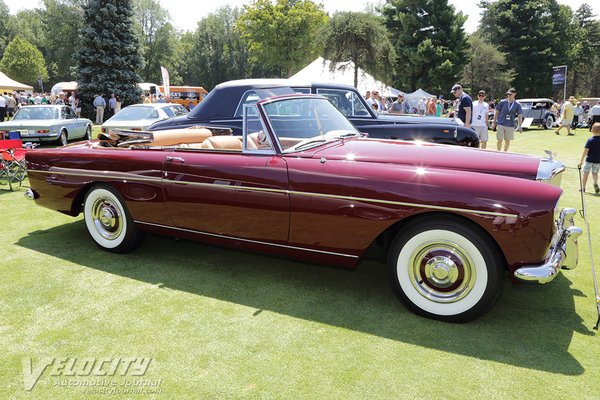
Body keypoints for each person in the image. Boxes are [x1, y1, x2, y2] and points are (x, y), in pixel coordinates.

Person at [492, 87, 523, 152]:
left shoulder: (517, 105)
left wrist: (520, 126)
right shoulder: (502, 102)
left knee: (507, 140)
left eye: (510, 94)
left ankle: (505, 152)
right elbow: (497, 111)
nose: (508, 95)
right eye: (508, 94)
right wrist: (494, 122)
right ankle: (498, 152)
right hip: (501, 123)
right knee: (499, 139)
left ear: (514, 94)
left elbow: (520, 115)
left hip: (510, 125)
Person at [578, 122, 600, 194]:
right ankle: (595, 183)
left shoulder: (590, 140)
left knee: (585, 174)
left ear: (592, 130)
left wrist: (581, 160)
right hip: (598, 160)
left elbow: (585, 151)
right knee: (595, 174)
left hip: (589, 160)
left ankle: (583, 188)